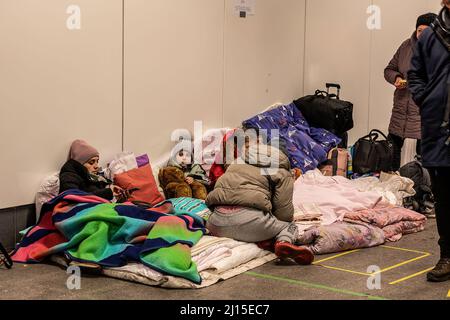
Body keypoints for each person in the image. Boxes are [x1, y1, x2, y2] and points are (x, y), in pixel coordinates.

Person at [205, 131, 314, 265]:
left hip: (215, 224)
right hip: (249, 223)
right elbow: (283, 213)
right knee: (290, 226)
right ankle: (283, 242)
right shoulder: (281, 171)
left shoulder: (237, 162)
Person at [408, 1, 450, 282]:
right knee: (445, 200)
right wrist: (426, 99)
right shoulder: (430, 36)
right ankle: (447, 256)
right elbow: (415, 73)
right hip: (438, 131)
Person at [384, 12, 437, 171]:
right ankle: (393, 181)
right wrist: (396, 78)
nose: (422, 34)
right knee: (391, 148)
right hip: (401, 108)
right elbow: (389, 69)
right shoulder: (406, 46)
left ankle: (424, 188)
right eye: (420, 30)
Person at [59, 139, 127, 201]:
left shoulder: (95, 178)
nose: (96, 166)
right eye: (91, 162)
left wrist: (117, 197)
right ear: (80, 163)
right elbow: (72, 198)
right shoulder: (69, 176)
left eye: (97, 161)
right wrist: (107, 192)